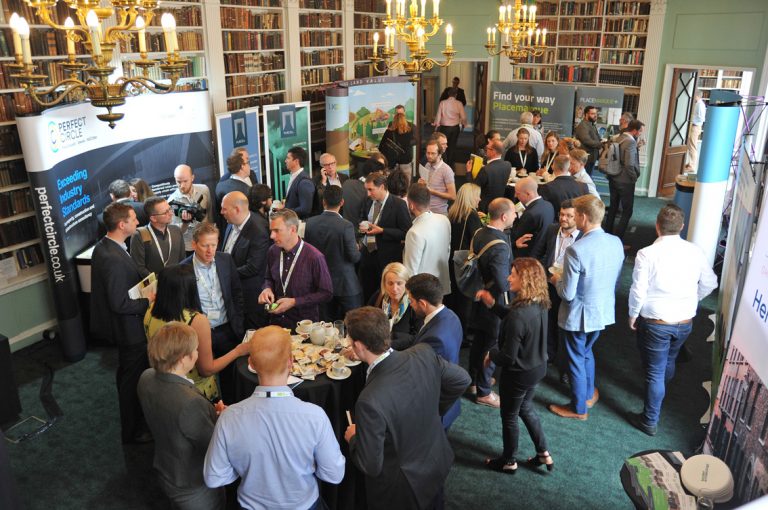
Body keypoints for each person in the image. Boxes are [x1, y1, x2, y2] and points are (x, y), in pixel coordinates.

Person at [204, 326, 345, 510]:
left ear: (251, 364)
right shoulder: (315, 417)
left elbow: (214, 478)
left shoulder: (229, 418)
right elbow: (334, 475)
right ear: (291, 362)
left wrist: (244, 467)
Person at [343, 307, 470, 510]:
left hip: (403, 489)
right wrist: (433, 411)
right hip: (436, 460)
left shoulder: (369, 401)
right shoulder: (423, 352)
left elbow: (370, 465)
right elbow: (462, 380)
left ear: (358, 346)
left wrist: (354, 438)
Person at [628, 204, 718, 435]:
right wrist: (692, 299)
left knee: (654, 371)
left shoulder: (646, 253)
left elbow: (638, 290)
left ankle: (649, 419)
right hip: (685, 321)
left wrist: (633, 314)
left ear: (657, 227)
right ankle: (658, 394)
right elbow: (710, 282)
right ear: (682, 227)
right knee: (669, 360)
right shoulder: (695, 251)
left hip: (656, 322)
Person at [548, 195, 624, 420]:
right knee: (587, 352)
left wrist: (555, 280)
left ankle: (578, 408)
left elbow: (567, 294)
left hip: (578, 315)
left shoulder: (576, 250)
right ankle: (589, 393)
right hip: (602, 310)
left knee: (574, 360)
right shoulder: (616, 242)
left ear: (582, 217)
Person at [476, 258, 553, 474]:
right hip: (537, 368)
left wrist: (491, 355)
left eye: (513, 274)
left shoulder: (519, 315)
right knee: (526, 408)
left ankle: (509, 461)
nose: (509, 278)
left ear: (526, 279)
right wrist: (492, 304)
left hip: (518, 375)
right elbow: (514, 318)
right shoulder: (539, 302)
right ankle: (542, 452)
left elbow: (508, 357)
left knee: (509, 416)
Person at [137, 322, 225, 510]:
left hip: (166, 469)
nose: (197, 353)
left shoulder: (145, 377)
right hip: (193, 486)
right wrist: (220, 419)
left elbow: (175, 421)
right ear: (183, 359)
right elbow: (214, 445)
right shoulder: (189, 404)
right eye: (195, 349)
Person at [90, 202, 152, 444]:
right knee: (131, 382)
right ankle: (133, 431)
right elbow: (119, 304)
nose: (138, 221)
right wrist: (147, 302)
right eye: (134, 218)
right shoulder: (114, 258)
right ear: (122, 224)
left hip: (124, 330)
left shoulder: (105, 247)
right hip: (130, 332)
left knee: (127, 377)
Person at [145, 264, 249, 400]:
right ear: (190, 290)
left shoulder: (150, 310)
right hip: (194, 392)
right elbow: (207, 369)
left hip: (161, 383)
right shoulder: (197, 320)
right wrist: (238, 351)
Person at [467, 198, 515, 408]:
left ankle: (473, 381)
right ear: (504, 216)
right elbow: (504, 283)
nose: (515, 215)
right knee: (492, 344)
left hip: (478, 296)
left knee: (479, 340)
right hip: (495, 302)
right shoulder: (501, 247)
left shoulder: (479, 233)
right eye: (513, 213)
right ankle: (484, 391)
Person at [258, 209, 333, 329]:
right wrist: (267, 289)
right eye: (271, 231)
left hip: (303, 326)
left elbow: (326, 293)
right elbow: (269, 278)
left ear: (292, 229)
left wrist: (294, 302)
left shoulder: (314, 257)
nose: (272, 236)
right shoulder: (273, 251)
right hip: (276, 322)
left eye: (277, 231)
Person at [405, 273, 463, 429]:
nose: (410, 304)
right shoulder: (451, 316)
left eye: (411, 301)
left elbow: (421, 374)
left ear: (422, 303)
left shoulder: (435, 339)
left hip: (435, 407)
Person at [304, 185, 363, 321]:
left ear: (323, 201)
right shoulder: (346, 225)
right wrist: (358, 249)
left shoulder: (310, 223)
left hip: (320, 283)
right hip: (345, 285)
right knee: (354, 324)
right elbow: (354, 257)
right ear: (342, 202)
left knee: (325, 325)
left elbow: (309, 253)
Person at [539, 199, 580, 383]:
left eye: (569, 216)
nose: (564, 219)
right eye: (562, 214)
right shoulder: (551, 230)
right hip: (548, 285)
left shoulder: (583, 238)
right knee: (547, 323)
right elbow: (538, 253)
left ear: (578, 217)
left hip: (569, 289)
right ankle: (548, 356)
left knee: (565, 328)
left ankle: (564, 368)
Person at [358, 171, 412, 302]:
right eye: (367, 190)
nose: (368, 193)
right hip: (368, 254)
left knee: (385, 294)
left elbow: (406, 232)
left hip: (387, 257)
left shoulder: (398, 204)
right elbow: (362, 218)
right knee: (368, 291)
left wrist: (382, 230)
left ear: (382, 187)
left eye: (371, 190)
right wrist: (361, 228)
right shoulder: (368, 201)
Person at [220, 191, 271, 330]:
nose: (221, 212)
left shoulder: (259, 230)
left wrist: (224, 275)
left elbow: (253, 267)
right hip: (233, 294)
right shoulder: (230, 223)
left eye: (224, 209)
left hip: (250, 298)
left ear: (237, 209)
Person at [446, 183, 483, 339]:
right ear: (471, 197)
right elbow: (478, 239)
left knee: (453, 298)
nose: (479, 199)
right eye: (477, 195)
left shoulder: (453, 213)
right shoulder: (472, 215)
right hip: (465, 262)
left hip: (452, 260)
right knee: (465, 300)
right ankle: (463, 335)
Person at [403, 184, 452, 296]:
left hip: (423, 291)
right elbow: (447, 251)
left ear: (411, 205)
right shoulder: (444, 220)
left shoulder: (414, 232)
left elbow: (411, 270)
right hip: (441, 282)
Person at [604, 119, 644, 245]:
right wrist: (633, 177)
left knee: (613, 208)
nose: (641, 134)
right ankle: (617, 241)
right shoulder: (631, 142)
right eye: (640, 131)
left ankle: (606, 235)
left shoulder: (618, 137)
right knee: (627, 211)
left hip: (613, 177)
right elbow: (629, 164)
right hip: (625, 181)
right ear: (634, 130)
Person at [369, 262, 422, 350]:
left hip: (403, 355)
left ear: (407, 284)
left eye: (399, 283)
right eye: (390, 283)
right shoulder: (378, 297)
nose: (394, 288)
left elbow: (417, 338)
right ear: (384, 284)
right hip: (376, 351)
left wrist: (386, 345)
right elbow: (366, 322)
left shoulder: (414, 305)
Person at [130, 196, 186, 278]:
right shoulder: (140, 235)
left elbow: (182, 260)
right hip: (155, 286)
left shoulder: (176, 230)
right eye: (165, 212)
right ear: (153, 218)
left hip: (177, 282)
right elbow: (139, 267)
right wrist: (158, 281)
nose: (171, 213)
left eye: (170, 209)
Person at [169, 164, 214, 254]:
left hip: (206, 241)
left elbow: (210, 213)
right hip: (189, 247)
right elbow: (176, 233)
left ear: (192, 178)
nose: (182, 185)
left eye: (185, 181)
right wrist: (185, 223)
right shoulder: (171, 202)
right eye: (178, 182)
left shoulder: (204, 190)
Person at [511, 176, 555, 260]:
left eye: (518, 193)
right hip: (542, 254)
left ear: (528, 193)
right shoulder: (549, 205)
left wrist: (515, 217)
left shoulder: (530, 214)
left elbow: (517, 236)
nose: (515, 196)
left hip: (526, 257)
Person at [215, 148, 254, 229]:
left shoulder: (220, 186)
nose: (250, 166)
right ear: (242, 166)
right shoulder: (247, 191)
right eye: (248, 163)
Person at [418, 139, 456, 215]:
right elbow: (427, 186)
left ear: (440, 154)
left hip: (439, 213)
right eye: (428, 153)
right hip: (425, 210)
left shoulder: (447, 170)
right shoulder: (427, 165)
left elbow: (453, 196)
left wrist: (432, 191)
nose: (429, 156)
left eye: (433, 153)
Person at [473, 139, 512, 213]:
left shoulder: (486, 170)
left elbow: (473, 187)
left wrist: (469, 172)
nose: (485, 151)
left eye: (487, 148)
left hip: (483, 208)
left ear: (493, 151)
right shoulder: (507, 165)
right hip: (499, 205)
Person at [433, 88, 466, 169]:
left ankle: (443, 164)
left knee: (442, 146)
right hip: (455, 128)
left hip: (444, 128)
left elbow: (438, 116)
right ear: (456, 95)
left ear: (448, 94)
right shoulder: (459, 103)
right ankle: (450, 165)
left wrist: (436, 126)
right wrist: (463, 125)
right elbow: (463, 117)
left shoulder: (442, 103)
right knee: (452, 146)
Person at [280, 146, 315, 219]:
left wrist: (285, 211)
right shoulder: (294, 176)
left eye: (288, 158)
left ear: (296, 161)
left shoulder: (304, 182)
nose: (285, 161)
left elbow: (305, 209)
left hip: (300, 225)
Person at [573, 105, 602, 175]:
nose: (595, 115)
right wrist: (601, 144)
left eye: (596, 114)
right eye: (592, 114)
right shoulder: (583, 125)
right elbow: (587, 141)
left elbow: (597, 138)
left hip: (591, 158)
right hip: (586, 159)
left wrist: (601, 141)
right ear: (586, 114)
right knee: (584, 180)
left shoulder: (592, 124)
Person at [686, 92, 706, 171]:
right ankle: (690, 163)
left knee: (693, 146)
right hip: (694, 126)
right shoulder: (698, 104)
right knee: (690, 145)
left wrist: (692, 119)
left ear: (697, 96)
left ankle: (692, 166)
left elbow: (702, 118)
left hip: (696, 126)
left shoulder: (700, 105)